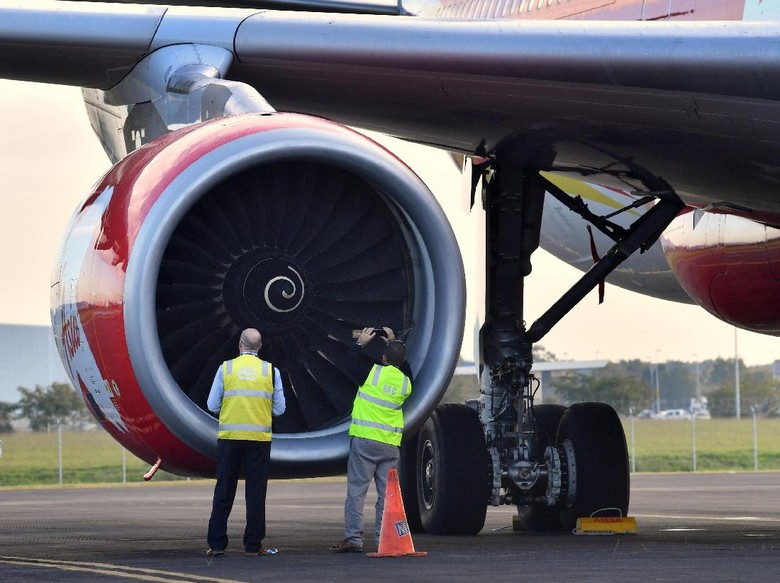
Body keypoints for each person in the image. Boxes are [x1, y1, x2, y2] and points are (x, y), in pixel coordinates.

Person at [330, 326, 413, 553]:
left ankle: (354, 539)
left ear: (383, 357)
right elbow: (405, 368)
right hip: (389, 444)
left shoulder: (372, 373)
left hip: (366, 441)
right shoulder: (406, 383)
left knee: (357, 492)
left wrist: (361, 343)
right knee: (387, 496)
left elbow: (349, 360)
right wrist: (394, 341)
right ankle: (384, 538)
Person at [206, 328, 286, 557]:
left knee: (224, 490)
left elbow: (212, 405)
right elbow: (280, 409)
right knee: (256, 493)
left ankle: (217, 544)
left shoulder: (226, 368)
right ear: (259, 347)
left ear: (239, 345)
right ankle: (253, 545)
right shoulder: (271, 371)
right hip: (258, 440)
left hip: (230, 439)